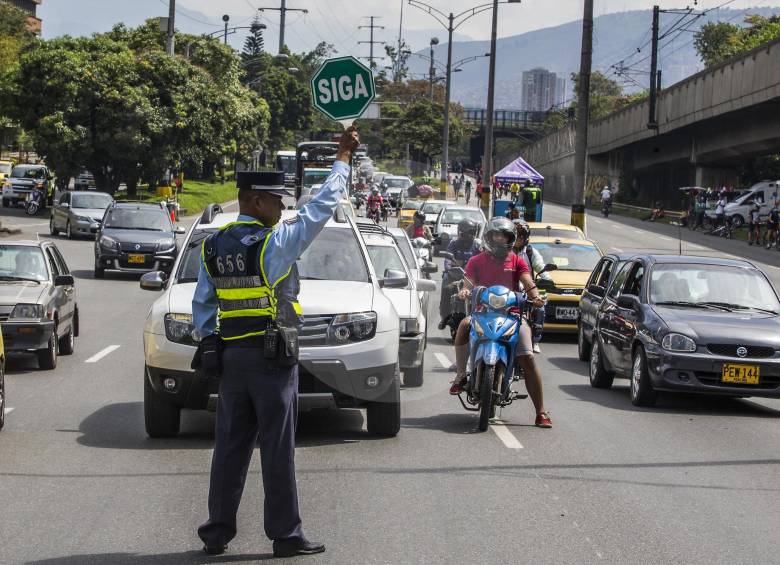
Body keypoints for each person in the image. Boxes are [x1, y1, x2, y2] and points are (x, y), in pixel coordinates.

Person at [193, 127, 360, 558]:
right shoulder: (272, 244)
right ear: (254, 201)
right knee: (277, 450)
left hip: (231, 361)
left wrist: (211, 341)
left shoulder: (213, 247)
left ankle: (216, 533)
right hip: (272, 361)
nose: (283, 206)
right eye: (277, 199)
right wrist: (342, 159)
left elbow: (203, 306)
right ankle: (285, 536)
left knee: (228, 449)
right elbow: (319, 210)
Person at [448, 217, 552, 428]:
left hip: (512, 316)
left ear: (511, 239)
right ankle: (460, 375)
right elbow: (467, 282)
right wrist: (465, 291)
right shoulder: (476, 261)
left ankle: (541, 411)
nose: (499, 239)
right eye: (495, 235)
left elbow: (528, 282)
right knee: (463, 326)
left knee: (528, 357)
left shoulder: (517, 261)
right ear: (488, 237)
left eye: (503, 236)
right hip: (482, 314)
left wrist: (535, 296)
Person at [512, 220, 550, 354]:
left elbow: (540, 267)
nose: (518, 238)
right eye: (515, 235)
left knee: (540, 308)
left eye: (521, 235)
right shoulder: (502, 251)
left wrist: (547, 280)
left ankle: (534, 340)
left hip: (527, 289)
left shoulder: (530, 252)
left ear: (526, 238)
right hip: (506, 290)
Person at [438, 219, 481, 329]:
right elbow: (448, 260)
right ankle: (444, 317)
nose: (471, 236)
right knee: (445, 282)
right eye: (469, 233)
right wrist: (448, 269)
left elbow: (483, 260)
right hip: (454, 275)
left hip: (472, 277)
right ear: (461, 232)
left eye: (473, 233)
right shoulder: (453, 244)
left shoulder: (477, 246)